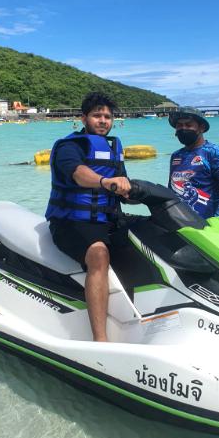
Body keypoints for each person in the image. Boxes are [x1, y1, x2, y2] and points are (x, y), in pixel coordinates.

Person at [45, 92, 131, 342]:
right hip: (70, 222)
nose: (103, 121)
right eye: (97, 115)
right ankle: (100, 339)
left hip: (107, 220)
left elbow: (123, 183)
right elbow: (79, 174)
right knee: (99, 254)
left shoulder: (114, 148)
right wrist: (105, 182)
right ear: (83, 118)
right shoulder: (69, 147)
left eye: (108, 117)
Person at [168, 107, 219, 220]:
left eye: (188, 125)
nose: (183, 128)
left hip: (206, 223)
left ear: (201, 128)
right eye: (179, 125)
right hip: (179, 221)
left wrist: (218, 220)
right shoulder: (176, 156)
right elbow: (171, 189)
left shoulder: (216, 153)